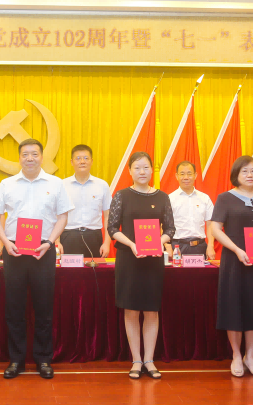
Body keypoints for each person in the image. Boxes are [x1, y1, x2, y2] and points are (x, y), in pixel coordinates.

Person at [0, 138, 73, 380]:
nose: (30, 158)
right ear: (19, 158)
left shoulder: (55, 184)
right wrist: (5, 242)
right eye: (25, 154)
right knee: (14, 308)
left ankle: (43, 359)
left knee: (44, 309)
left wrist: (50, 242)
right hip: (14, 251)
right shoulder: (7, 184)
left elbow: (63, 217)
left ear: (42, 157)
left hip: (43, 251)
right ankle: (16, 360)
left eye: (34, 154)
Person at [210, 155, 253, 379]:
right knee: (234, 308)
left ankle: (251, 356)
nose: (250, 175)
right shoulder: (225, 198)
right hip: (235, 262)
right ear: (236, 175)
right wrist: (237, 250)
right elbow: (216, 229)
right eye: (245, 171)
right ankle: (237, 355)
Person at [107, 152, 174, 380]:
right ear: (130, 171)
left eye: (146, 167)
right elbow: (112, 228)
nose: (142, 172)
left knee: (151, 310)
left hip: (153, 260)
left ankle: (149, 360)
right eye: (137, 168)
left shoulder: (162, 197)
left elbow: (170, 229)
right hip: (129, 258)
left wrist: (158, 242)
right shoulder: (121, 195)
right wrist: (132, 244)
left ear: (152, 170)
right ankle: (136, 360)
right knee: (131, 310)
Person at [58, 144, 111, 258]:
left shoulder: (102, 185)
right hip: (68, 236)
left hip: (94, 236)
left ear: (91, 161)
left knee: (94, 268)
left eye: (86, 158)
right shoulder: (62, 185)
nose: (82, 161)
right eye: (78, 158)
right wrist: (57, 242)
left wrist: (107, 243)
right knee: (68, 269)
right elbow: (56, 215)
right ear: (72, 162)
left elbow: (108, 216)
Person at [167, 161, 215, 260]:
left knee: (200, 271)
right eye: (182, 174)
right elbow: (164, 225)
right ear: (176, 176)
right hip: (177, 247)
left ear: (195, 175)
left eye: (189, 174)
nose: (186, 177)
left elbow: (210, 224)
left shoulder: (204, 198)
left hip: (200, 247)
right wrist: (167, 246)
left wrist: (210, 245)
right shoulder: (170, 199)